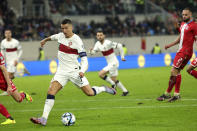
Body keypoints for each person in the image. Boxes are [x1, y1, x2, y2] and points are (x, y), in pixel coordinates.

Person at [30, 19, 116, 126]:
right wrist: (45, 40)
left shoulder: (77, 41)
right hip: (61, 72)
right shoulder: (60, 36)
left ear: (71, 28)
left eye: (66, 28)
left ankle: (103, 88)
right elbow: (53, 37)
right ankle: (43, 118)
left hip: (75, 72)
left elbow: (84, 59)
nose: (64, 30)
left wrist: (82, 71)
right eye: (62, 28)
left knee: (90, 93)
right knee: (51, 91)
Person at [157, 8, 197, 102]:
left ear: (190, 15)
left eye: (186, 15)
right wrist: (170, 45)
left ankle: (169, 94)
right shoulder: (183, 24)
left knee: (174, 71)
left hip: (185, 52)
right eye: (183, 14)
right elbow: (180, 38)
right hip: (181, 51)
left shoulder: (194, 26)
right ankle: (175, 94)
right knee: (176, 71)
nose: (184, 16)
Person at [90, 30, 129, 96]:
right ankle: (125, 91)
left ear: (104, 36)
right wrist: (91, 51)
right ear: (96, 36)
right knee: (114, 79)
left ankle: (113, 84)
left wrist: (122, 57)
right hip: (110, 64)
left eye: (101, 35)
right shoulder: (97, 44)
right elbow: (94, 52)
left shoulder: (108, 42)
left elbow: (119, 46)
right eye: (98, 35)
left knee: (101, 74)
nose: (99, 37)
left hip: (114, 63)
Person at [0, 52, 33, 124]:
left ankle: (23, 95)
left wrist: (9, 86)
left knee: (19, 99)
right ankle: (10, 119)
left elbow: (4, 70)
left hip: (3, 81)